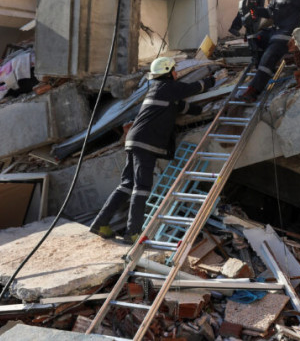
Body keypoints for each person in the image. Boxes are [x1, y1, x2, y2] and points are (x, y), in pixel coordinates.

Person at [89, 56, 215, 242]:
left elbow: (181, 106)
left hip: (134, 140)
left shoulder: (159, 91)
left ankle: (101, 223)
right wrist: (213, 79)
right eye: (173, 69)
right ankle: (132, 233)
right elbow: (193, 88)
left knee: (127, 184)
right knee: (141, 188)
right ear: (167, 72)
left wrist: (200, 110)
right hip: (145, 143)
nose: (176, 73)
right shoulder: (167, 87)